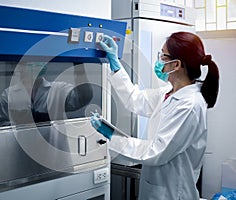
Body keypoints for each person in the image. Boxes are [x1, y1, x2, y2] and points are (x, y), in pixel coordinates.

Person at [91, 32, 219, 199]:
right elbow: (134, 99)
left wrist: (113, 136)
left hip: (172, 193)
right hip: (158, 188)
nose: (159, 61)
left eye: (162, 56)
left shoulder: (189, 105)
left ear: (176, 64)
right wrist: (115, 63)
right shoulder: (169, 93)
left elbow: (155, 152)